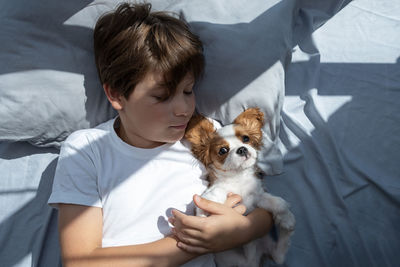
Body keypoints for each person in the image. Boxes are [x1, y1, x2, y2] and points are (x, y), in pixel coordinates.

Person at [48, 2, 273, 266]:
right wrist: (198, 243)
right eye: (162, 97)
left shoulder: (208, 139)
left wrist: (241, 231)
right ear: (116, 94)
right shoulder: (86, 149)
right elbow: (80, 261)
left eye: (188, 91)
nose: (184, 108)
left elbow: (265, 210)